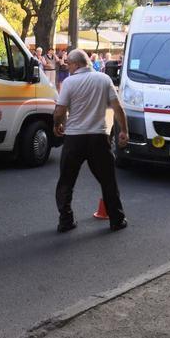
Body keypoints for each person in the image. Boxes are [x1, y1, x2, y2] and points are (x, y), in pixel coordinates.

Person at [53, 48, 129, 233]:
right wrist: (124, 131)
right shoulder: (104, 79)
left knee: (66, 182)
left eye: (69, 64)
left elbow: (60, 110)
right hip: (98, 137)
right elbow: (118, 108)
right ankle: (117, 220)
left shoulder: (70, 82)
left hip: (74, 138)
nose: (67, 67)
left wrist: (57, 124)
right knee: (108, 180)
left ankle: (66, 221)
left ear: (77, 64)